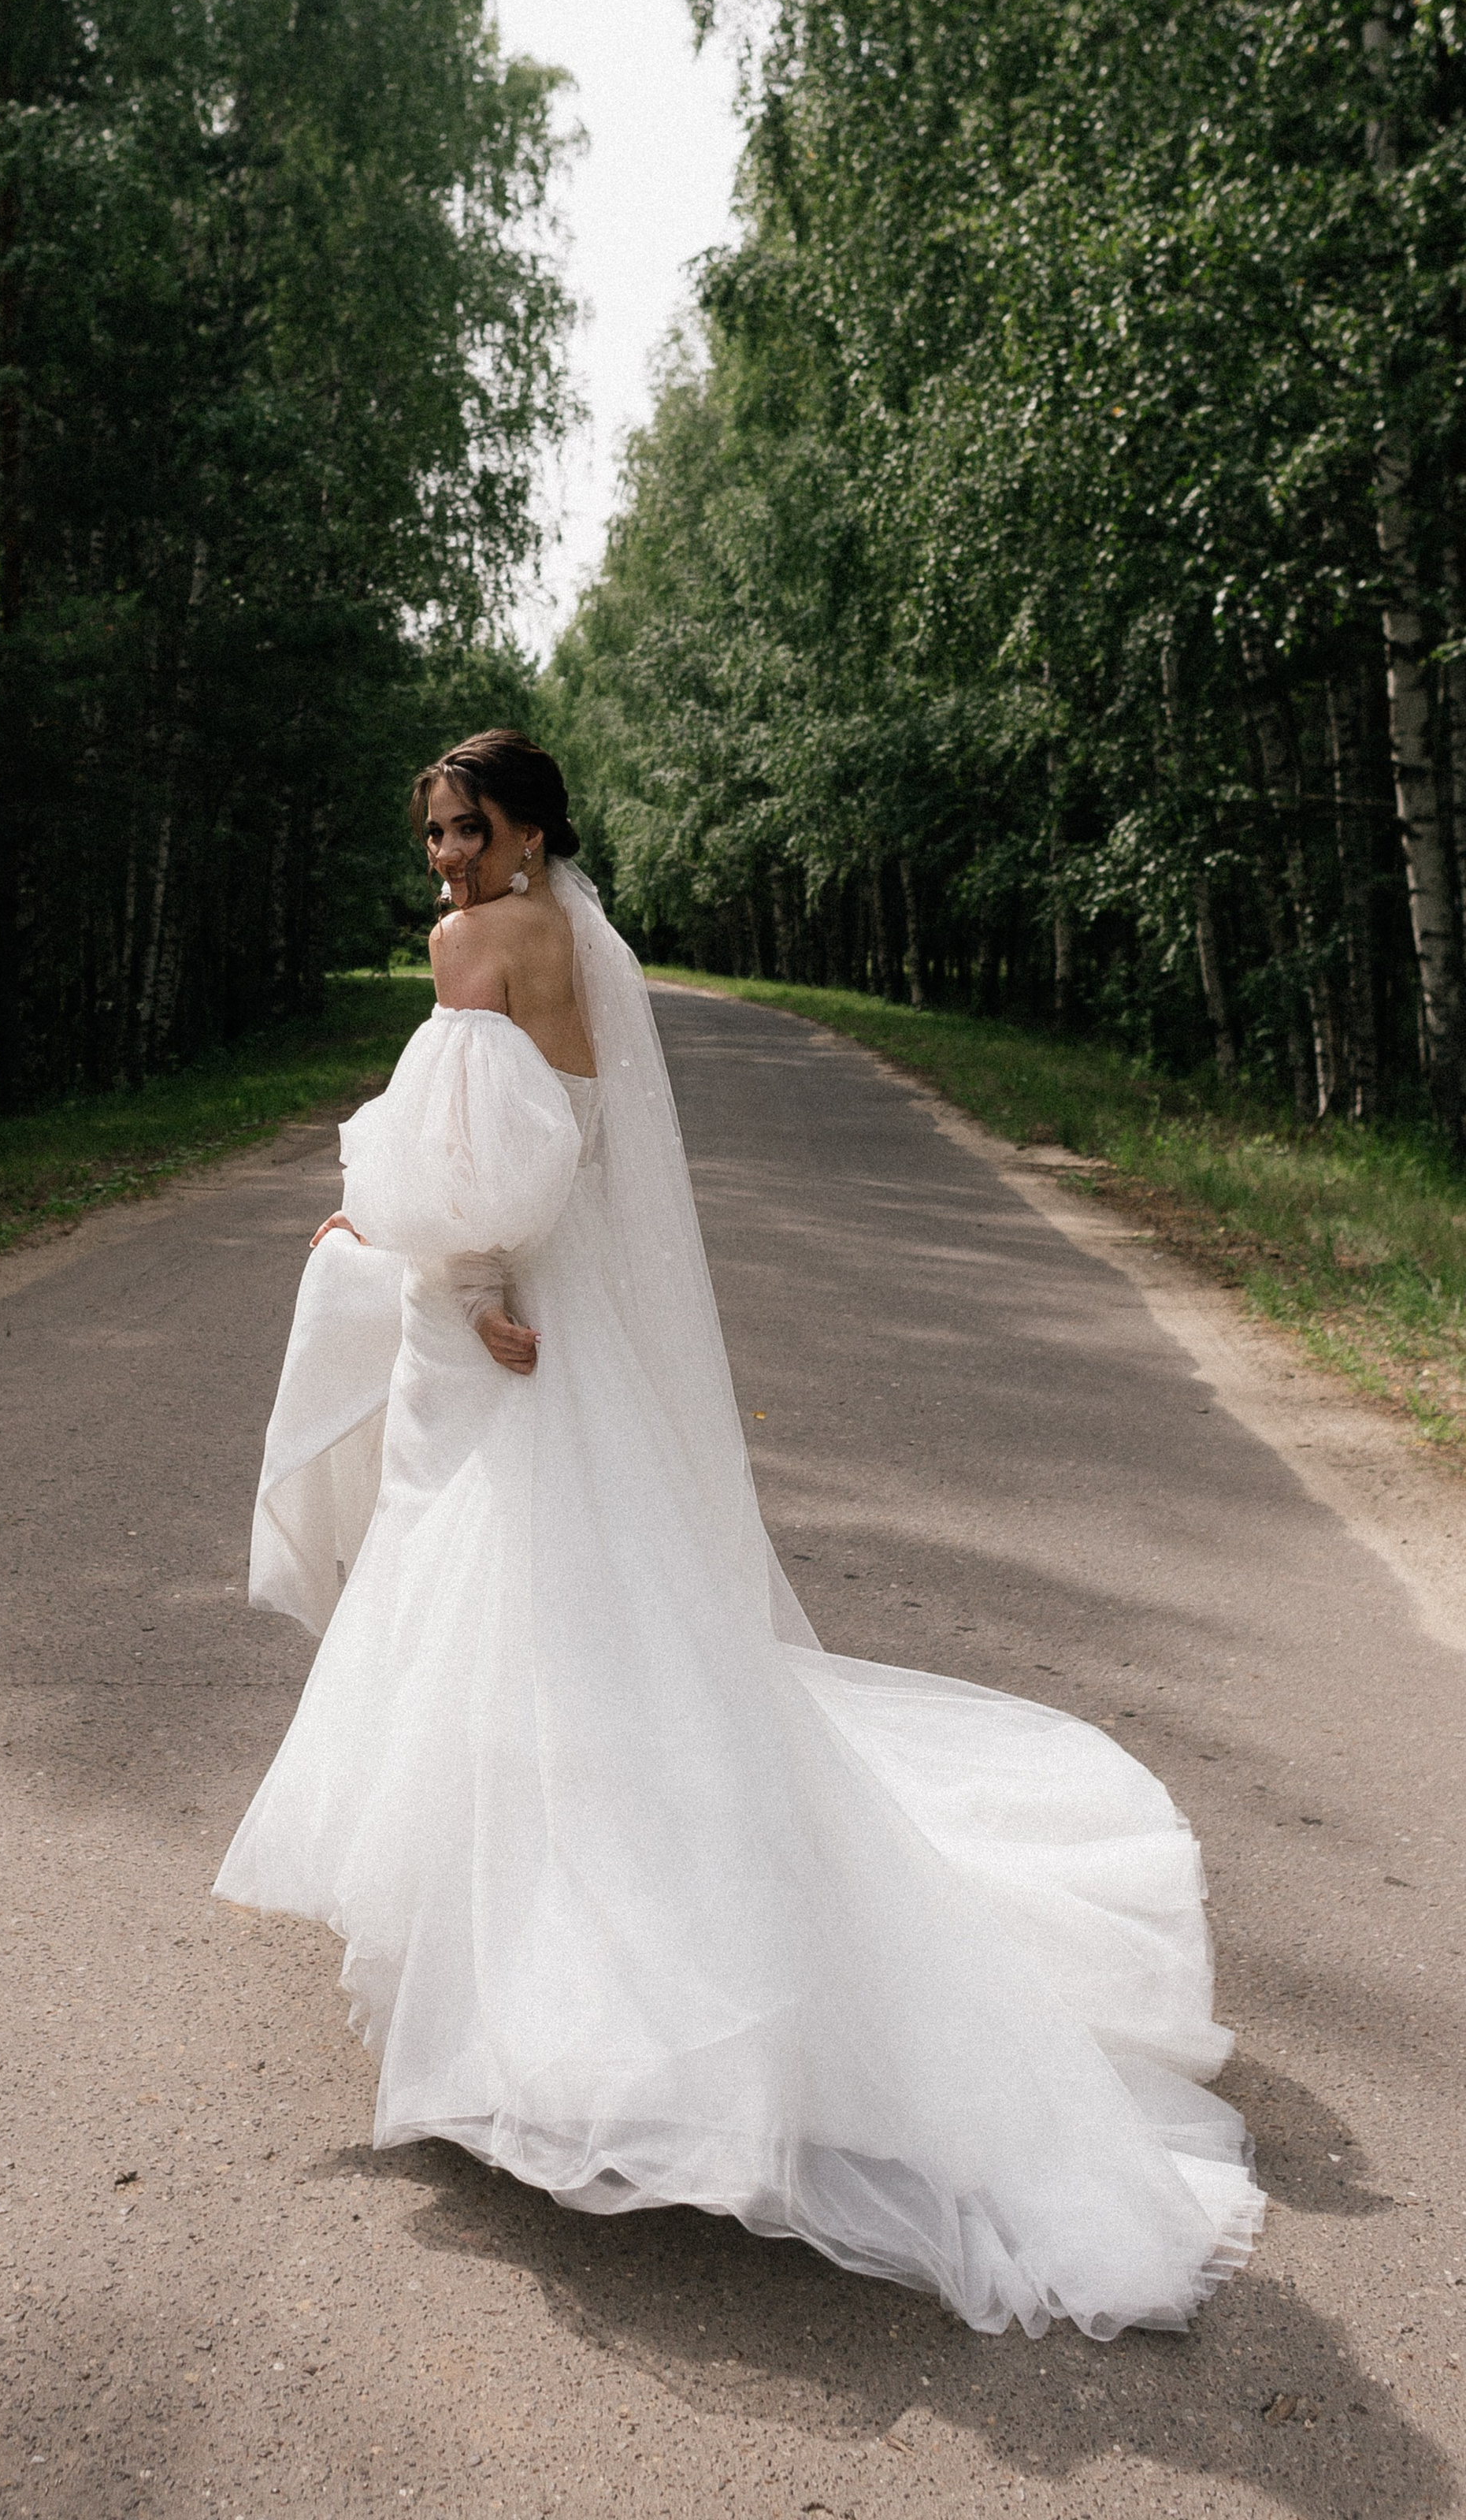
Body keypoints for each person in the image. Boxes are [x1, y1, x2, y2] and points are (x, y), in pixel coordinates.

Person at [213, 730, 1263, 2340]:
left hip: (495, 1325)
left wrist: (431, 1260)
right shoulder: (575, 931)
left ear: (530, 825)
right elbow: (576, 1140)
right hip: (566, 1328)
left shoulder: (472, 944)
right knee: (577, 1621)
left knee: (504, 1615)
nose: (446, 859)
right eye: (432, 833)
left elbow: (487, 1172)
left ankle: (544, 2007)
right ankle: (561, 1959)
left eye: (469, 828)